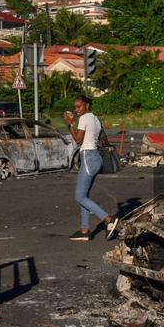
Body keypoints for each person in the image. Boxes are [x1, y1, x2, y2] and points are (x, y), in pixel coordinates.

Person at [62, 95, 120, 241]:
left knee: (79, 196)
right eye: (75, 107)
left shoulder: (85, 118)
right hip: (96, 158)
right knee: (84, 195)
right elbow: (103, 139)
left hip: (88, 157)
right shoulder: (95, 119)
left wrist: (70, 125)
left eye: (79, 106)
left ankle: (108, 219)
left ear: (87, 105)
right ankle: (84, 230)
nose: (76, 110)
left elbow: (78, 140)